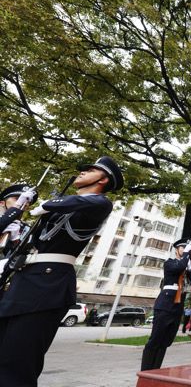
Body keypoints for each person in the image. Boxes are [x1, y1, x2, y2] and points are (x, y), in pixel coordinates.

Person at [0, 156, 123, 386]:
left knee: (18, 366)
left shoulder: (100, 204)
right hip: (23, 283)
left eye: (91, 170)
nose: (83, 171)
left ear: (104, 180)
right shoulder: (63, 206)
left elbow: (82, 204)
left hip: (47, 287)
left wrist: (46, 204)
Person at [141, 238, 191, 371]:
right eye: (183, 248)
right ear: (177, 250)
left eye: (186, 248)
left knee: (166, 341)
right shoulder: (170, 263)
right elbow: (178, 267)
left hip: (177, 306)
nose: (185, 250)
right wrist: (186, 257)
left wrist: (190, 267)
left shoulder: (185, 265)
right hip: (165, 305)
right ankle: (145, 371)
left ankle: (155, 370)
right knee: (156, 339)